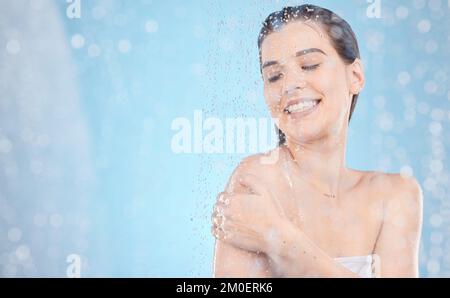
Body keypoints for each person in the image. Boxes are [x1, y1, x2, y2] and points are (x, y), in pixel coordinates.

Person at [211, 4, 423, 278]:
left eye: (309, 65)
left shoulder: (395, 195)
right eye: (274, 76)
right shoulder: (257, 181)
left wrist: (282, 240)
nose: (289, 85)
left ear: (355, 76)